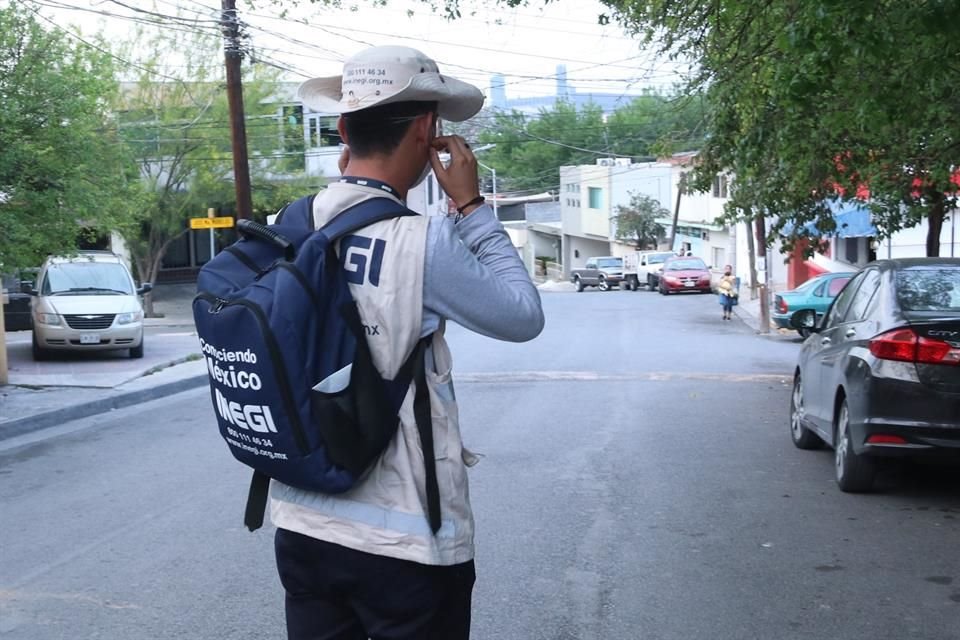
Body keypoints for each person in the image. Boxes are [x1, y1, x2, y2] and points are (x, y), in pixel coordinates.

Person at [270, 45, 545, 640]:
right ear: (427, 131)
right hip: (405, 540)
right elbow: (523, 316)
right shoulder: (423, 243)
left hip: (302, 520)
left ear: (344, 128)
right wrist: (470, 206)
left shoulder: (289, 226)